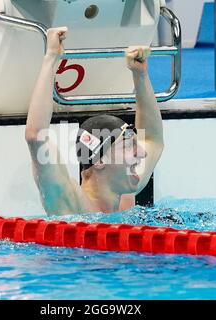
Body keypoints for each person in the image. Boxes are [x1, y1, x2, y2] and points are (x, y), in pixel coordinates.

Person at [25, 27, 164, 216]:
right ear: (99, 160)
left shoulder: (126, 194)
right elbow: (35, 136)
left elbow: (153, 139)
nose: (140, 152)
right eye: (128, 146)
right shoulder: (70, 206)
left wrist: (140, 76)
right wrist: (51, 57)